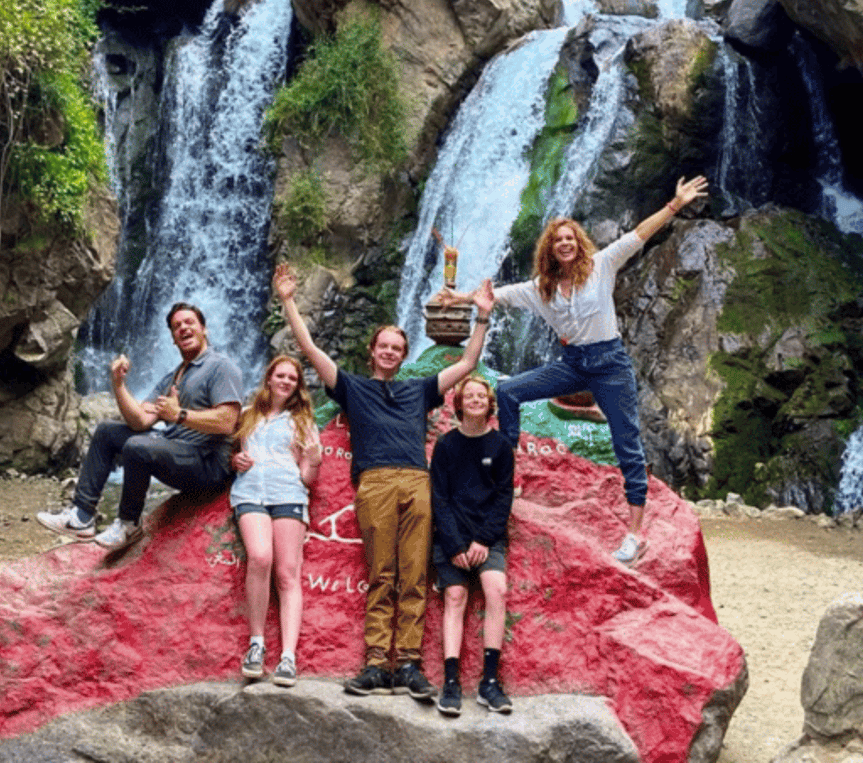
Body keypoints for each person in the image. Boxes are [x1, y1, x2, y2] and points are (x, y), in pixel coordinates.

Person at [444, 176, 708, 568]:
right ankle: (509, 475)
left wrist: (674, 205)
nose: (565, 243)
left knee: (627, 443)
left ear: (579, 243)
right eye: (557, 240)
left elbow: (638, 235)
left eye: (570, 238)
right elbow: (493, 296)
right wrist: (461, 297)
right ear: (549, 249)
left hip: (609, 365)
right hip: (571, 365)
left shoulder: (602, 266)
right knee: (511, 391)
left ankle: (635, 535)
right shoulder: (541, 288)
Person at [273, 261, 494, 700]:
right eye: (384, 347)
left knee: (414, 575)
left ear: (402, 354)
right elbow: (310, 349)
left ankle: (409, 665)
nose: (390, 352)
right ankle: (376, 664)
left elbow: (469, 361)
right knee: (382, 574)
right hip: (373, 482)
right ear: (372, 353)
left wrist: (482, 315)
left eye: (397, 347)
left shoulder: (420, 389)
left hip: (417, 482)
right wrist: (288, 301)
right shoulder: (352, 387)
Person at [37, 302, 243, 548]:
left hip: (208, 463)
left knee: (138, 446)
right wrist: (118, 384)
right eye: (177, 326)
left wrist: (179, 415)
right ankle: (81, 517)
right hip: (177, 451)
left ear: (204, 329)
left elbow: (228, 421)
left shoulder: (220, 366)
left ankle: (128, 524)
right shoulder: (174, 375)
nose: (183, 328)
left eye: (189, 322)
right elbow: (139, 420)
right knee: (106, 432)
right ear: (173, 339)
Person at [231, 355, 322, 688]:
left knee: (287, 573)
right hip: (250, 494)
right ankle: (256, 645)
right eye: (280, 375)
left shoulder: (303, 421)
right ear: (268, 378)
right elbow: (235, 455)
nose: (285, 381)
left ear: (298, 386)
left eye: (292, 378)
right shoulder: (247, 416)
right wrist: (236, 459)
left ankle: (288, 657)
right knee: (259, 558)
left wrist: (312, 461)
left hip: (289, 495)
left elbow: (308, 477)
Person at [430, 375, 515, 717]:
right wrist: (454, 544)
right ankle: (451, 682)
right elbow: (439, 497)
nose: (477, 400)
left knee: (496, 591)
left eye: (483, 396)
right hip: (452, 536)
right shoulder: (446, 445)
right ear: (460, 403)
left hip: (487, 537)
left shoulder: (500, 447)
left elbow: (503, 497)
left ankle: (489, 682)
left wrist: (482, 539)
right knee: (455, 597)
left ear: (490, 404)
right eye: (471, 396)